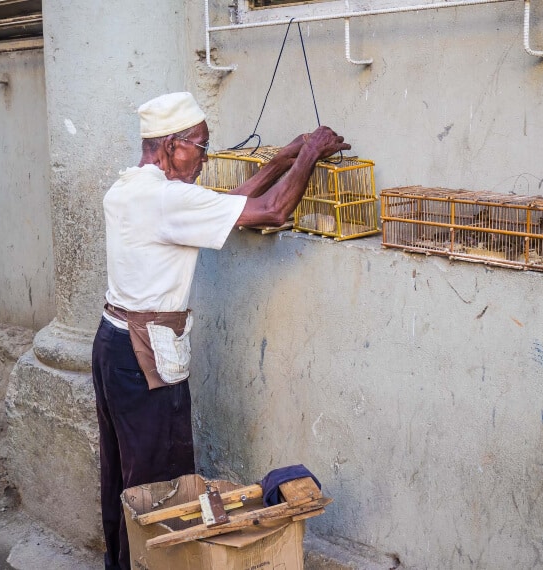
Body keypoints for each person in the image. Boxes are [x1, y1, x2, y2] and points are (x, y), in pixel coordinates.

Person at [91, 91, 350, 570]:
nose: (205, 159)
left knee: (124, 477)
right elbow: (272, 211)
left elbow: (223, 205)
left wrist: (283, 158)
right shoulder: (167, 199)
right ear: (171, 146)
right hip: (146, 354)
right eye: (201, 147)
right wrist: (311, 154)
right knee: (160, 485)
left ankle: (119, 563)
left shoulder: (130, 188)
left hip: (113, 344)